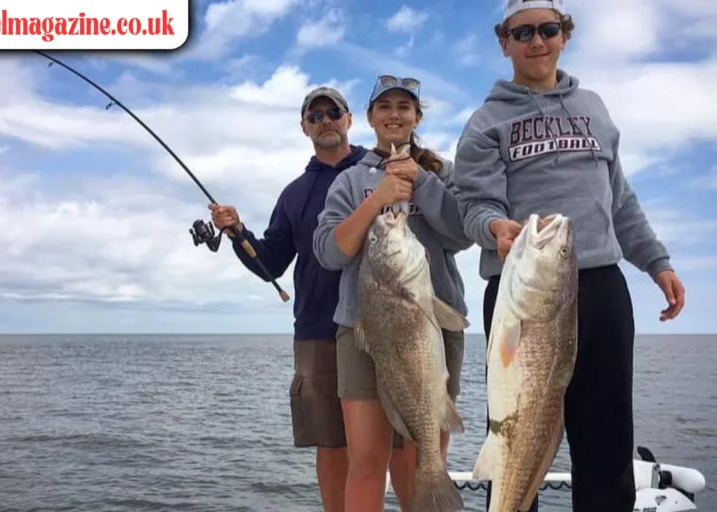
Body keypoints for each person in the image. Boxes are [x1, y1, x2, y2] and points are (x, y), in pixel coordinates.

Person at [452, 1, 687, 511]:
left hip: (601, 288)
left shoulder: (595, 108)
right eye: (523, 32)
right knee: (517, 434)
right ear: (504, 42)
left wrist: (657, 262)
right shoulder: (486, 122)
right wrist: (494, 227)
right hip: (522, 294)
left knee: (604, 445)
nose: (537, 40)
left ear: (564, 35)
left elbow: (619, 199)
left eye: (548, 29)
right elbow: (473, 202)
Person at [208, 87, 415, 512]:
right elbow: (270, 263)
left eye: (333, 112)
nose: (325, 120)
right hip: (319, 330)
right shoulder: (294, 194)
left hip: (392, 323)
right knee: (332, 443)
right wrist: (238, 234)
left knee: (405, 441)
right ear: (304, 127)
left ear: (350, 118)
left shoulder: (384, 170)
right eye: (315, 115)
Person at [312, 75, 473, 512]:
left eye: (404, 107)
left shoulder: (442, 172)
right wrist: (377, 198)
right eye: (384, 107)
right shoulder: (347, 182)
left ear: (417, 116)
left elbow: (462, 234)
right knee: (366, 458)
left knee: (425, 455)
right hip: (364, 331)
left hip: (433, 328)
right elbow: (330, 252)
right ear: (369, 118)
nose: (394, 114)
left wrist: (421, 181)